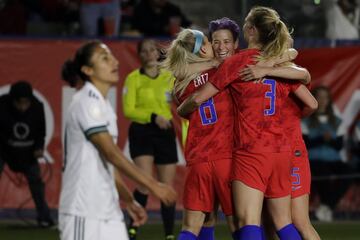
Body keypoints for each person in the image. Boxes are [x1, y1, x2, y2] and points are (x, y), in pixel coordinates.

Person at [177, 6, 318, 240]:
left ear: (250, 31)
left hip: (249, 152)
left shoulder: (235, 64)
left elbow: (199, 98)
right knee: (284, 222)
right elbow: (311, 100)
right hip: (283, 151)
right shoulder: (277, 65)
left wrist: (183, 109)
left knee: (246, 222)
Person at [59, 40, 177, 240]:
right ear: (88, 70)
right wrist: (154, 185)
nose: (114, 62)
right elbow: (111, 153)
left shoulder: (103, 106)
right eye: (104, 58)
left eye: (112, 56)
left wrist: (129, 201)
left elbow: (108, 166)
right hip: (83, 208)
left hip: (109, 209)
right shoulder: (86, 102)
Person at [122, 39, 178, 240]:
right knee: (144, 183)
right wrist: (153, 117)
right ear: (140, 55)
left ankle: (170, 234)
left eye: (152, 50)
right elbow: (129, 110)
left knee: (166, 186)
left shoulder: (168, 77)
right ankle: (133, 229)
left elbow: (180, 99)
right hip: (142, 131)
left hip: (164, 133)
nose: (148, 54)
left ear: (157, 53)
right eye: (144, 51)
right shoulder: (133, 78)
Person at [0, 81, 54, 227]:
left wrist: (39, 148)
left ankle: (44, 217)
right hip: (4, 150)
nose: (23, 107)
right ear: (13, 101)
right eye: (20, 103)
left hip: (29, 153)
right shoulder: (2, 106)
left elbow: (41, 133)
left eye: (26, 103)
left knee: (37, 182)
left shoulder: (37, 107)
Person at [302, 86, 352, 221]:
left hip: (333, 159)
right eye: (319, 97)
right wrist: (321, 138)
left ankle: (326, 206)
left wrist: (329, 140)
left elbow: (339, 146)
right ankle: (326, 207)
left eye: (325, 97)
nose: (322, 100)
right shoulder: (305, 120)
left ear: (329, 100)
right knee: (322, 173)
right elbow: (305, 144)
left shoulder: (337, 121)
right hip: (314, 159)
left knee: (348, 172)